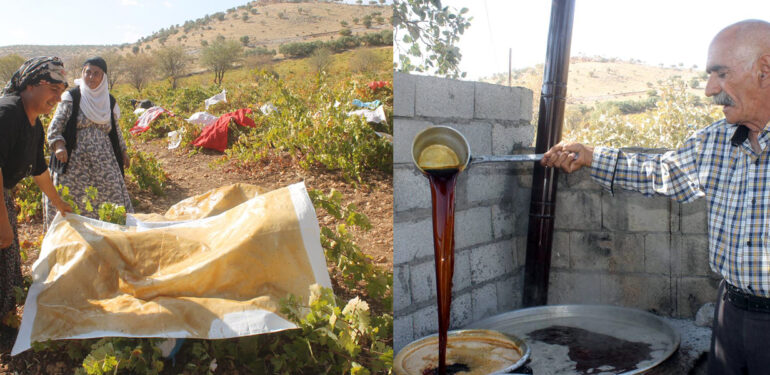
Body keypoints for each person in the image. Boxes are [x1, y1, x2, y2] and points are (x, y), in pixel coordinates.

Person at [541, 20, 770, 375]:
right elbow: (658, 172)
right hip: (731, 313)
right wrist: (590, 156)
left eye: (721, 74)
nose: (710, 90)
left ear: (764, 69)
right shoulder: (715, 141)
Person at [0, 56, 73, 337]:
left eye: (61, 91)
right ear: (31, 84)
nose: (57, 97)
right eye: (53, 89)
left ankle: (5, 320)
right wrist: (3, 222)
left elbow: (39, 170)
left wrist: (59, 204)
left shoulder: (33, 123)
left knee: (7, 257)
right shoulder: (8, 115)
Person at [45, 57, 133, 226]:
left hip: (104, 162)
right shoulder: (72, 97)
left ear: (103, 77)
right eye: (88, 72)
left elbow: (116, 131)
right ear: (82, 73)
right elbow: (55, 125)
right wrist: (59, 145)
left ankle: (108, 237)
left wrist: (123, 151)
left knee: (111, 196)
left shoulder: (109, 101)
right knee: (73, 200)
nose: (91, 77)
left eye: (96, 74)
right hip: (75, 163)